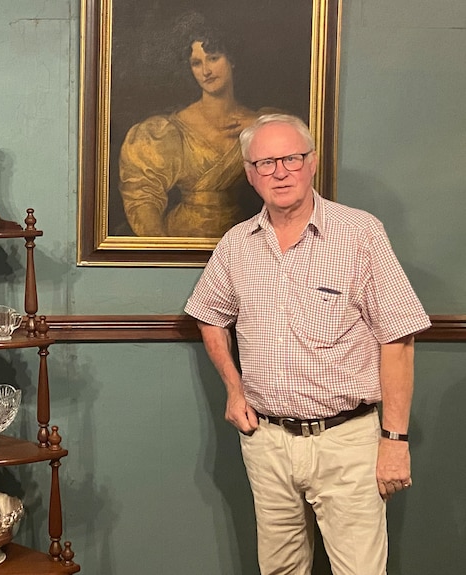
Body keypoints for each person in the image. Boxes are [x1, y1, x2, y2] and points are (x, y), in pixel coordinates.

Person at [184, 113, 430, 574]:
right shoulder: (237, 245)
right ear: (250, 174)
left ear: (312, 162)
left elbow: (398, 336)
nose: (280, 172)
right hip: (268, 443)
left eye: (291, 158)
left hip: (348, 442)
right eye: (266, 163)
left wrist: (395, 440)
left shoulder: (360, 235)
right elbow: (208, 316)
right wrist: (235, 391)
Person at [118, 12, 275, 237]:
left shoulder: (260, 122)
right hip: (182, 239)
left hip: (244, 238)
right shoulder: (166, 131)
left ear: (231, 59)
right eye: (196, 63)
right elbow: (141, 194)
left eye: (213, 58)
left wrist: (262, 126)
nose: (206, 71)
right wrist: (161, 248)